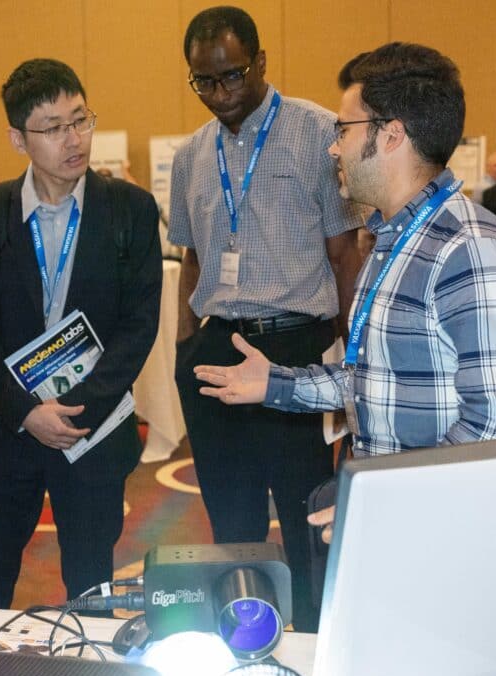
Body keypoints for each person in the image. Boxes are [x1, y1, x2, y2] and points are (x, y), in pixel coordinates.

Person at [194, 41, 496, 546]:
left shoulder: (474, 251)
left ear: (391, 135)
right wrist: (276, 384)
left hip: (443, 538)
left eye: (344, 130)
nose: (334, 147)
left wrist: (389, 508)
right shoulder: (393, 240)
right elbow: (372, 379)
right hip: (396, 522)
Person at [168, 5, 363, 633]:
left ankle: (310, 643)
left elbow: (344, 255)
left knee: (308, 517)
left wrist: (343, 354)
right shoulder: (191, 154)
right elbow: (193, 262)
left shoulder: (315, 133)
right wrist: (183, 350)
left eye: (231, 75)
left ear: (261, 63)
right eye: (204, 81)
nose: (220, 93)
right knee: (231, 522)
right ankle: (243, 635)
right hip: (215, 348)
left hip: (295, 352)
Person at [0, 58, 161, 609]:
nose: (74, 140)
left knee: (91, 589)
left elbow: (139, 326)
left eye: (81, 120)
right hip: (7, 431)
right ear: (18, 139)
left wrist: (76, 411)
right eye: (53, 128)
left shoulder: (131, 210)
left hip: (90, 435)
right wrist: (28, 411)